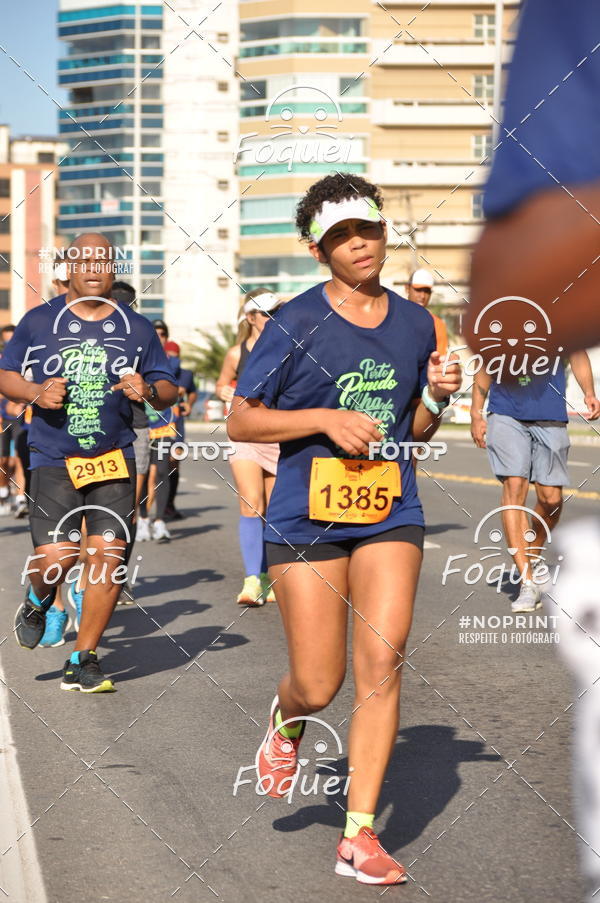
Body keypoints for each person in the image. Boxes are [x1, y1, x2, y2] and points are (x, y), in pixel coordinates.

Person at [228, 173, 461, 884]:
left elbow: (412, 431)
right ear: (317, 249)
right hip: (306, 517)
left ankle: (359, 835)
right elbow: (241, 420)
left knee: (382, 662)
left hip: (391, 508)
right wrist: (325, 419)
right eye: (340, 236)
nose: (359, 244)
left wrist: (435, 398)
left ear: (385, 230)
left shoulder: (416, 323)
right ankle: (288, 717)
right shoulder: (294, 322)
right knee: (319, 681)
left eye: (368, 229)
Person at [0, 232, 177, 692]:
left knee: (108, 557)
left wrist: (148, 390)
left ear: (114, 268)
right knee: (57, 557)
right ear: (69, 269)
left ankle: (84, 658)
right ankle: (38, 597)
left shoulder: (137, 327)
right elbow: (6, 374)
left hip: (115, 456)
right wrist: (35, 391)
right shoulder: (39, 321)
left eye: (104, 260)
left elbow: (168, 387)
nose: (95, 268)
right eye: (85, 261)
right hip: (54, 457)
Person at [470, 357, 600, 611]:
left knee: (551, 499)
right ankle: (527, 582)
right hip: (505, 411)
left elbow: (578, 356)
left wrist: (589, 392)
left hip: (550, 412)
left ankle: (533, 554)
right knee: (514, 487)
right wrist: (476, 412)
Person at [216, 289, 283, 606]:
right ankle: (253, 580)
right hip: (244, 435)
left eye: (275, 313)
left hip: (280, 433)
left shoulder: (289, 348)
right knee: (251, 503)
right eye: (266, 314)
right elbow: (221, 383)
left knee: (275, 509)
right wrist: (225, 393)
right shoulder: (236, 353)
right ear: (250, 317)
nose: (271, 319)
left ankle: (271, 576)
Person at [405, 268, 448, 354]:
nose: (422, 296)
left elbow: (441, 357)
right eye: (418, 290)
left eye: (427, 291)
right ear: (407, 288)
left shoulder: (437, 324)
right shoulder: (393, 317)